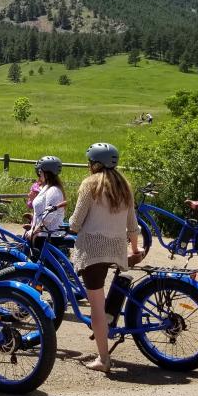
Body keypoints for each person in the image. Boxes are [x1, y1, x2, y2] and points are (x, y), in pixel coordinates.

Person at [68, 142, 142, 373]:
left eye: (90, 162)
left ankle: (103, 359)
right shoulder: (124, 186)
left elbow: (76, 222)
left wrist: (70, 225)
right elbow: (132, 225)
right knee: (101, 300)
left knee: (96, 307)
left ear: (95, 164)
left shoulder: (89, 185)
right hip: (116, 248)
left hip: (93, 251)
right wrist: (135, 249)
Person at [28, 155, 66, 253]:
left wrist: (35, 231)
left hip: (49, 238)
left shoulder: (53, 190)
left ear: (47, 173)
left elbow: (48, 217)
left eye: (40, 171)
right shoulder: (47, 187)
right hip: (42, 235)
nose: (39, 174)